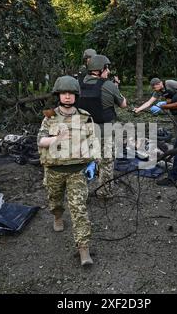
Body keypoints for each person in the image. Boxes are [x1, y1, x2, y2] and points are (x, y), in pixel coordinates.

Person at [38, 75, 96, 266]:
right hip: (54, 169)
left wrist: (92, 163)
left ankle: (83, 249)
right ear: (58, 95)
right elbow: (41, 141)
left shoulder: (85, 116)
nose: (68, 97)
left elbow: (92, 142)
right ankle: (57, 215)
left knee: (79, 209)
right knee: (54, 198)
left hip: (77, 170)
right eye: (64, 93)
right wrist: (57, 138)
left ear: (76, 95)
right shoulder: (50, 116)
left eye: (71, 93)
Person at [76, 54, 127, 198]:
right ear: (100, 69)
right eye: (107, 68)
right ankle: (105, 192)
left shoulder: (78, 84)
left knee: (83, 162)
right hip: (104, 132)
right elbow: (123, 104)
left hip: (84, 132)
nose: (108, 71)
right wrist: (116, 88)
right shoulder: (108, 85)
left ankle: (79, 193)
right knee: (106, 162)